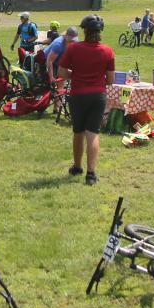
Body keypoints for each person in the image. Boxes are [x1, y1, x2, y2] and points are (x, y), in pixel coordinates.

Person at [59, 14, 116, 185]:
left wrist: (75, 75)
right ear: (100, 32)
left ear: (84, 31)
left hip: (77, 95)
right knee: (93, 133)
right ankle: (91, 174)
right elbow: (111, 80)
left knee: (78, 132)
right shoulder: (107, 51)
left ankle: (77, 167)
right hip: (98, 96)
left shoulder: (73, 49)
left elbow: (62, 73)